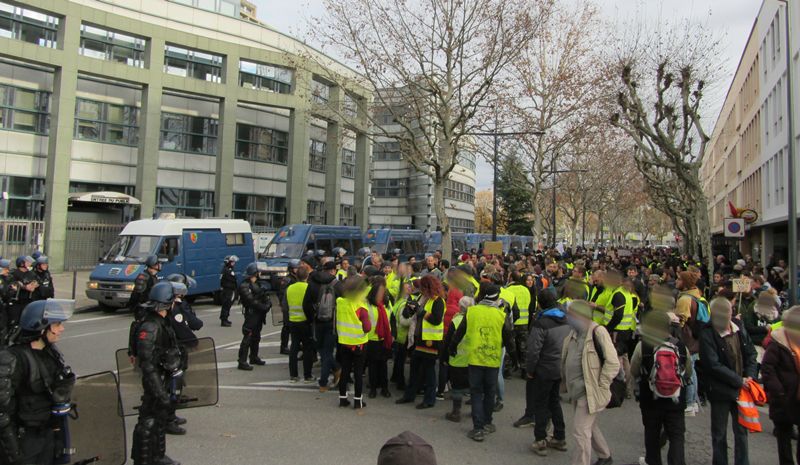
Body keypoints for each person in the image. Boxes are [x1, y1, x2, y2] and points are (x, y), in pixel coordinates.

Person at [0, 299, 75, 465]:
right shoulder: (14, 359)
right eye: (56, 325)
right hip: (25, 442)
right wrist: (14, 454)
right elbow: (2, 412)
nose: (61, 329)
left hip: (48, 435)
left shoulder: (51, 354)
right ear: (40, 327)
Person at [449, 282, 513, 442]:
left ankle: (477, 429)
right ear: (497, 297)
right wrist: (515, 358)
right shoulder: (500, 315)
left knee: (476, 392)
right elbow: (508, 339)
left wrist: (452, 348)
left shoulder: (472, 312)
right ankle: (487, 423)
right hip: (492, 359)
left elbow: (459, 333)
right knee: (489, 392)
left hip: (475, 358)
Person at [700, 297, 758, 465]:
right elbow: (713, 365)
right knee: (719, 434)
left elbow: (751, 354)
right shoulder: (708, 333)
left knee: (741, 432)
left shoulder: (738, 328)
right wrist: (739, 380)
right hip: (720, 390)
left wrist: (750, 376)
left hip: (742, 389)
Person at [561, 300, 619, 465]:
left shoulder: (597, 332)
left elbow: (613, 362)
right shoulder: (574, 333)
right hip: (576, 389)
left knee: (580, 431)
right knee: (588, 427)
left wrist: (602, 385)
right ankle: (605, 456)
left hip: (589, 391)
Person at [630, 311, 692, 465]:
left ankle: (653, 461)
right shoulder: (681, 347)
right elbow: (688, 371)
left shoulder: (643, 346)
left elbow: (634, 369)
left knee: (652, 434)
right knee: (676, 436)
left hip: (651, 398)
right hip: (675, 399)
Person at [131, 282, 182, 465]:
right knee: (148, 422)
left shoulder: (162, 321)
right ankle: (144, 459)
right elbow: (147, 362)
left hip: (162, 377)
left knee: (159, 419)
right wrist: (159, 390)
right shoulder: (151, 326)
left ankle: (158, 455)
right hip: (154, 380)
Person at [527, 289, 571, 456]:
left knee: (541, 404)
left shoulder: (541, 322)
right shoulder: (566, 319)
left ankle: (540, 440)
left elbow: (533, 350)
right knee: (554, 402)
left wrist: (530, 370)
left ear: (541, 303)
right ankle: (559, 436)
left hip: (544, 368)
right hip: (560, 366)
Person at [396, 275, 446, 410]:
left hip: (431, 341)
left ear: (428, 287)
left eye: (423, 288)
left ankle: (429, 400)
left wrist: (421, 311)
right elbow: (415, 314)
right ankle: (409, 395)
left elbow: (436, 319)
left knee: (429, 371)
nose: (420, 290)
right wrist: (410, 308)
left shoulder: (438, 301)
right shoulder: (422, 298)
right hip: (418, 338)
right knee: (414, 369)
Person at [165, 274, 203, 435]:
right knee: (172, 386)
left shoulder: (175, 305)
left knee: (174, 384)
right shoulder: (174, 308)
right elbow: (187, 325)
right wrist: (192, 339)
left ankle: (171, 415)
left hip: (174, 349)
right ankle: (167, 419)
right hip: (173, 351)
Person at [761, 305, 800, 465]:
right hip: (783, 397)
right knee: (784, 437)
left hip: (797, 396)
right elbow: (768, 369)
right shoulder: (778, 342)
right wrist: (779, 392)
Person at [304, 260, 341, 392]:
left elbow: (306, 304)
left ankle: (331, 373)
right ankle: (325, 381)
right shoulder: (336, 284)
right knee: (328, 352)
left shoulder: (312, 283)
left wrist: (311, 318)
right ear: (332, 271)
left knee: (322, 351)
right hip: (332, 323)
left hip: (317, 322)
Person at [336, 276, 371, 409]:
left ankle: (343, 399)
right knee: (358, 373)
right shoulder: (361, 307)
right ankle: (358, 400)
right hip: (358, 343)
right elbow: (367, 327)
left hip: (344, 342)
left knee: (345, 371)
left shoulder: (340, 302)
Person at [443, 296, 474, 423]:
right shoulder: (474, 320)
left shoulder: (456, 321)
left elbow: (449, 340)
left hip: (457, 359)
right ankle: (475, 411)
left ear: (460, 307)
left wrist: (444, 356)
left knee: (457, 387)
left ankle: (456, 412)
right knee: (473, 386)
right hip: (471, 358)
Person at [237, 263, 271, 371]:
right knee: (248, 335)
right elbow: (250, 300)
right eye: (258, 272)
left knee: (256, 336)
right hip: (251, 313)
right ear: (254, 273)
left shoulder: (259, 284)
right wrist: (263, 306)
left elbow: (266, 296)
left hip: (259, 314)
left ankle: (254, 357)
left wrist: (267, 304)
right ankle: (242, 361)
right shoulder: (244, 285)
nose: (260, 274)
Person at [286, 267, 315, 383]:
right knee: (308, 348)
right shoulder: (308, 287)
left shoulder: (290, 288)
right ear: (307, 276)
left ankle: (293, 375)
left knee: (294, 347)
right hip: (305, 321)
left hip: (293, 320)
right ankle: (307, 375)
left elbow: (286, 304)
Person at [366, 276, 393, 398]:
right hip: (371, 339)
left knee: (383, 365)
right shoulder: (368, 305)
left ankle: (384, 388)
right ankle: (373, 388)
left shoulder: (387, 304)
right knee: (372, 366)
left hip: (384, 340)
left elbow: (391, 320)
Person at [218, 255, 238, 327]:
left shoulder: (228, 269)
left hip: (229, 290)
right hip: (227, 290)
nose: (234, 263)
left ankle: (225, 319)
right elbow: (232, 280)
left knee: (228, 305)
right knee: (226, 305)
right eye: (232, 262)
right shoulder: (227, 270)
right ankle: (224, 320)